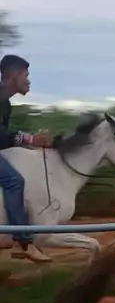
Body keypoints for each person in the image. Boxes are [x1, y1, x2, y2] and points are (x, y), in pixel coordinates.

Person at [0, 54, 53, 263]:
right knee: (13, 180)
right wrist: (30, 138)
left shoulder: (5, 103)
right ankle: (22, 242)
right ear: (13, 75)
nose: (28, 81)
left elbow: (4, 139)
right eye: (25, 75)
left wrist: (29, 141)